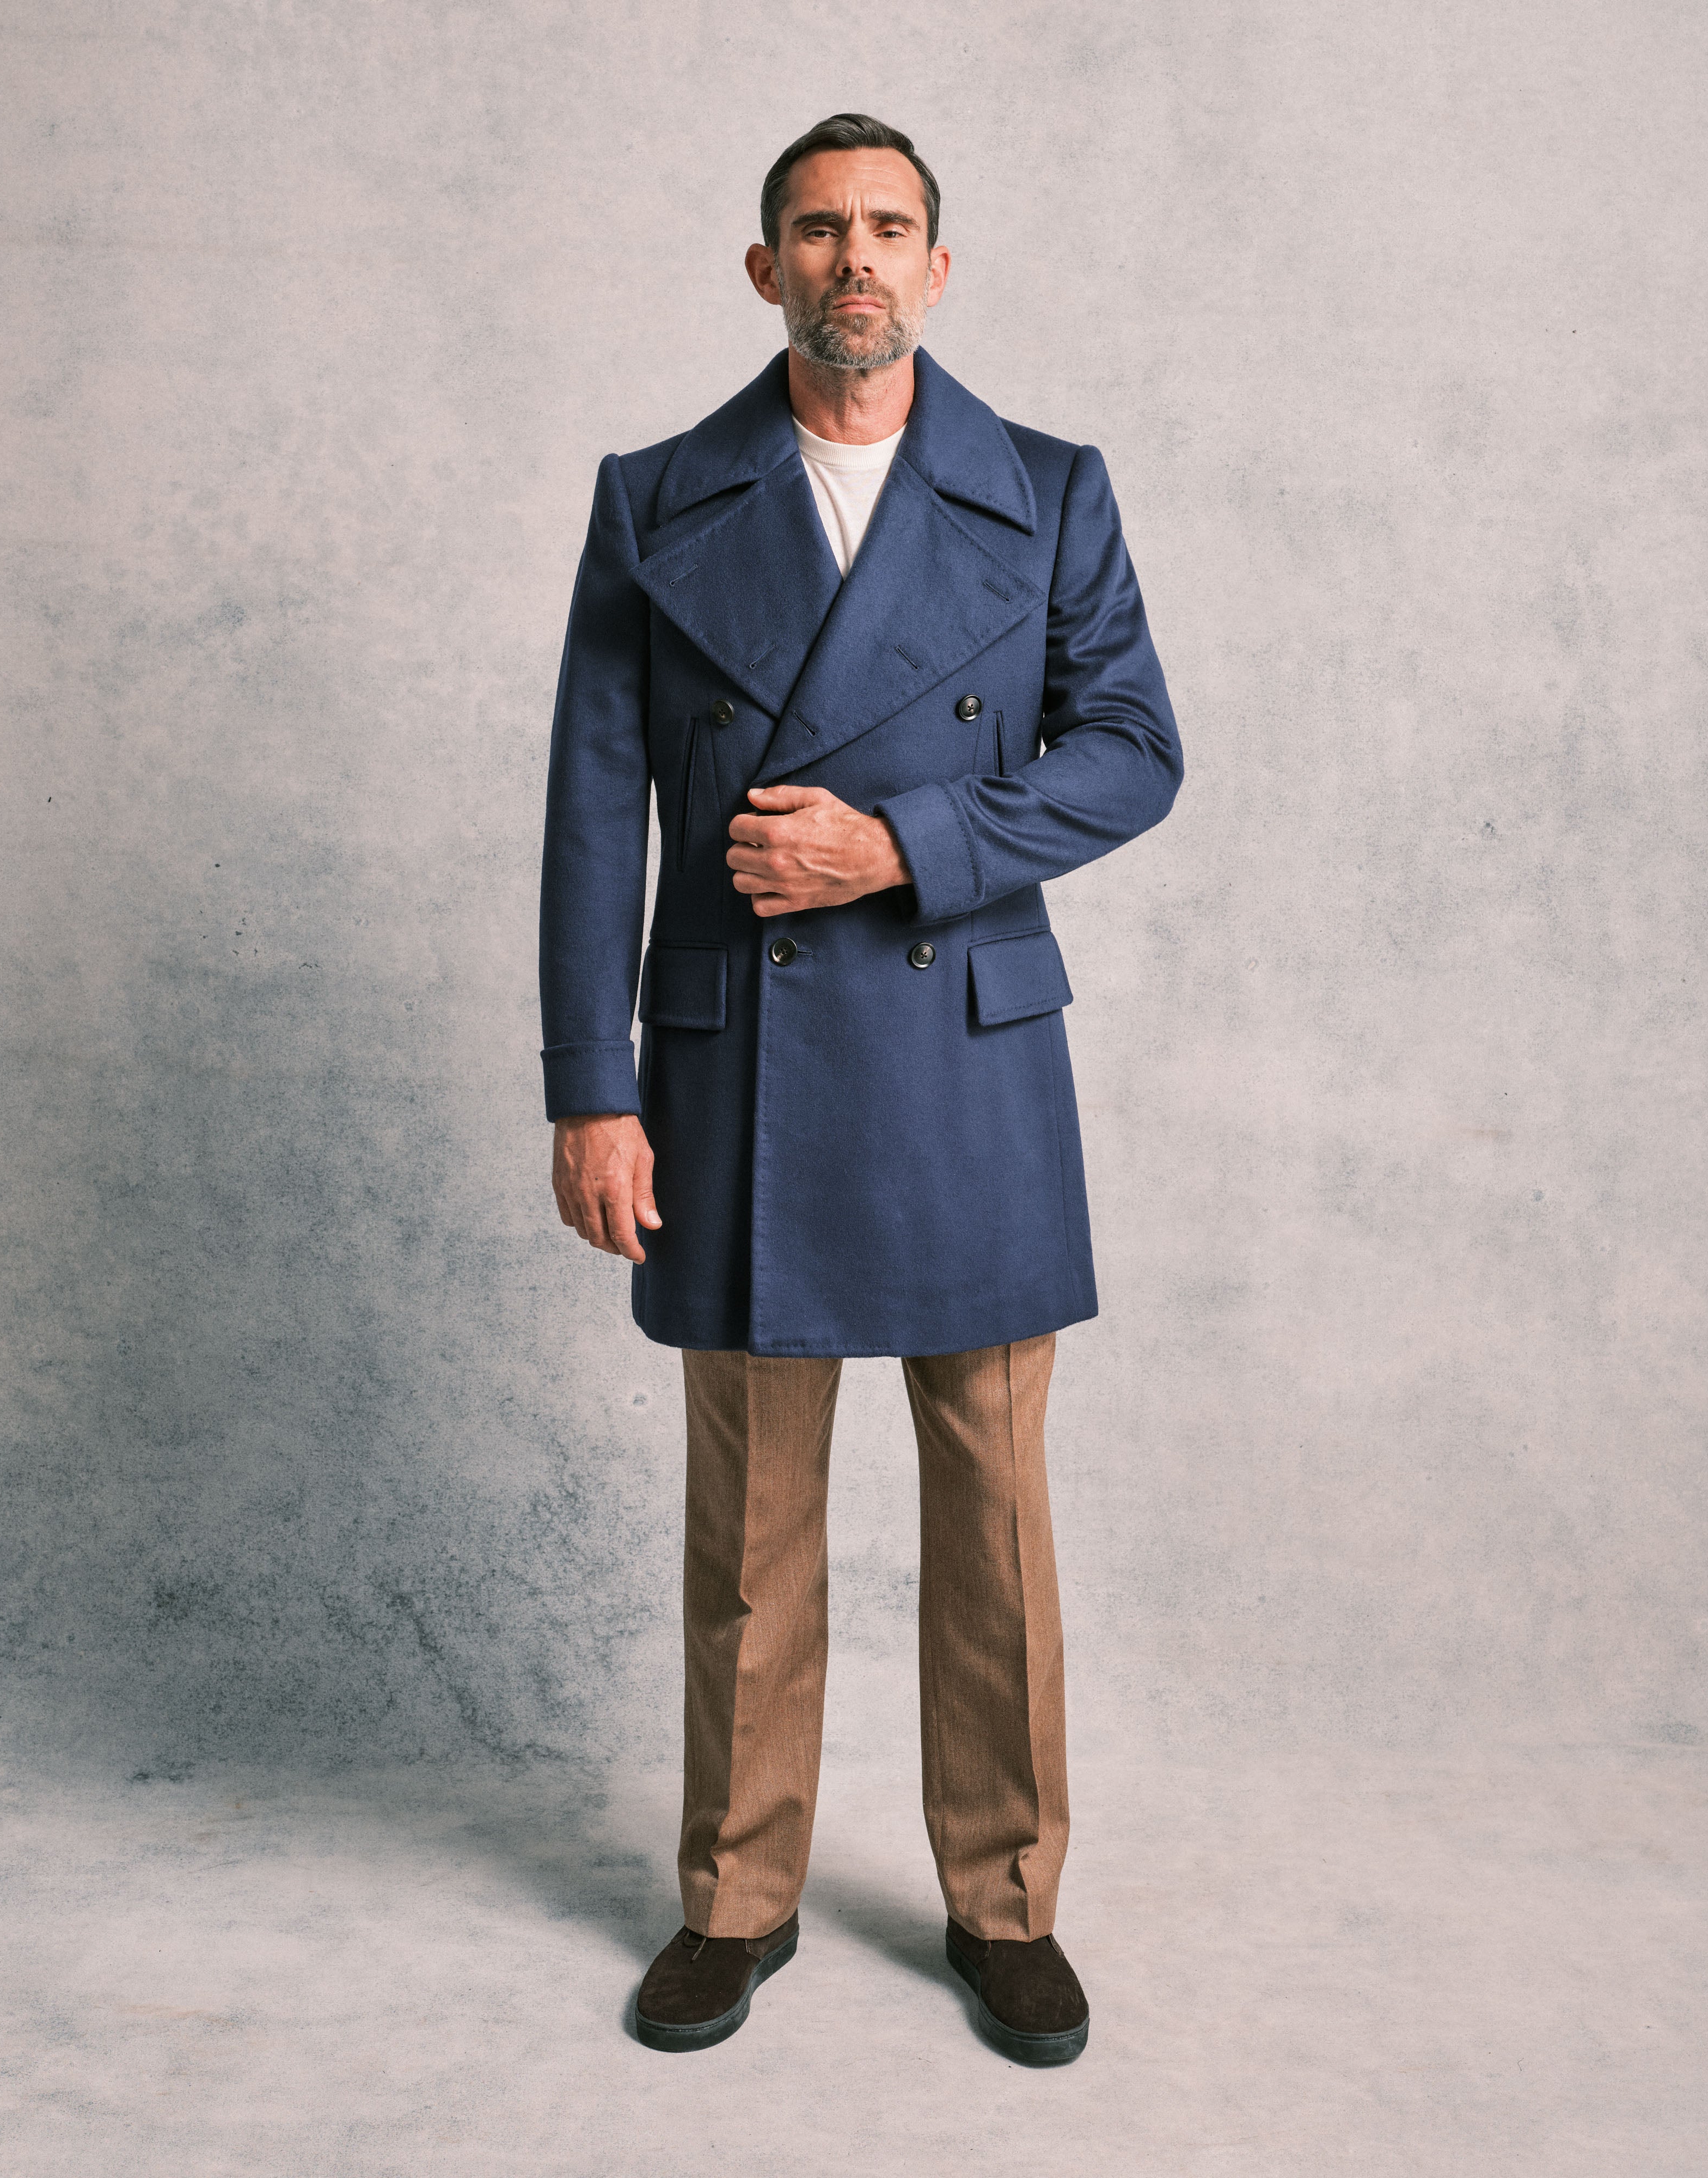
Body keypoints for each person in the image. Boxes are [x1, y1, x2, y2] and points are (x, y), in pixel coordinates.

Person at [539, 112, 1181, 2064]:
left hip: (962, 1052)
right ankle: (736, 1902)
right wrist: (590, 1086)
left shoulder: (1047, 491)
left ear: (940, 266)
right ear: (767, 271)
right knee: (749, 1524)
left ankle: (1008, 1903)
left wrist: (900, 844)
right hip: (735, 1063)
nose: (857, 260)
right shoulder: (657, 499)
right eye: (819, 230)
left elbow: (1134, 751)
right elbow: (593, 813)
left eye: (891, 227)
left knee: (993, 1513)